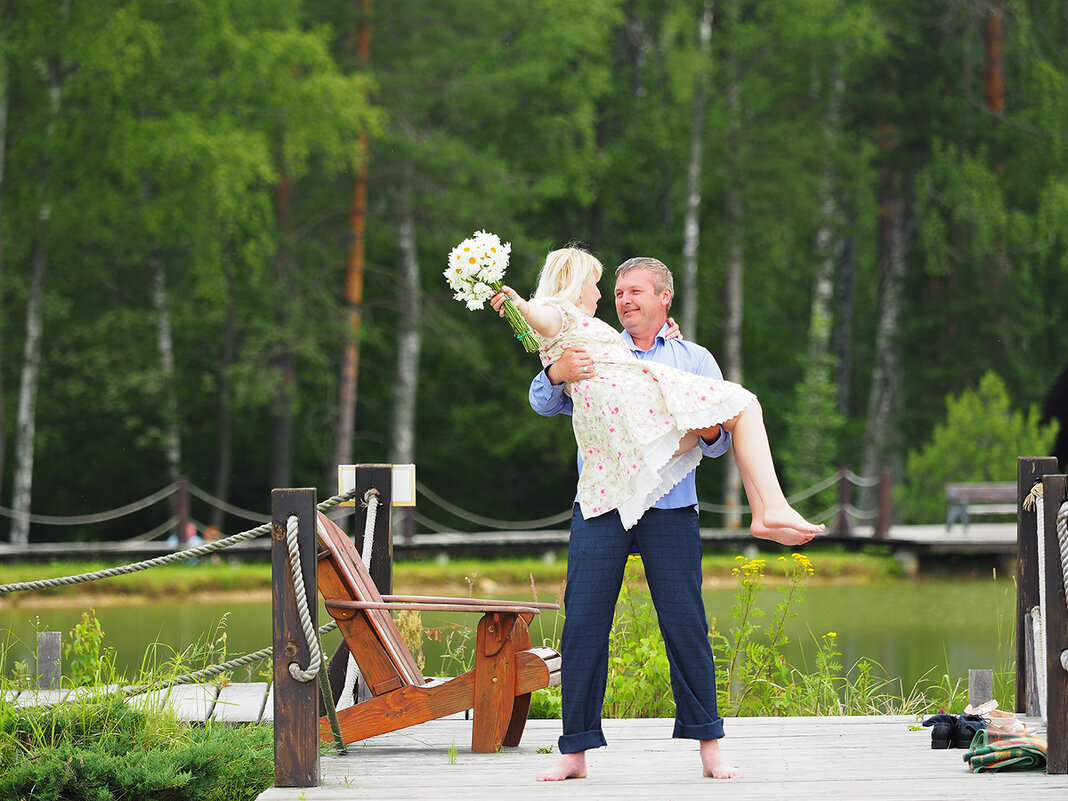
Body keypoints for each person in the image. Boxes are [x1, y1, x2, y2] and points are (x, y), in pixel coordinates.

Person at [490, 249, 818, 782]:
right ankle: (574, 752)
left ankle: (710, 745)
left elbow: (715, 443)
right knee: (585, 624)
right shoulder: (590, 338)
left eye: (635, 291)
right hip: (603, 503)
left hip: (670, 505)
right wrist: (556, 370)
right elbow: (544, 401)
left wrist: (708, 430)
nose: (622, 300)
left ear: (664, 297)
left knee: (685, 623)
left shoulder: (694, 357)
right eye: (617, 292)